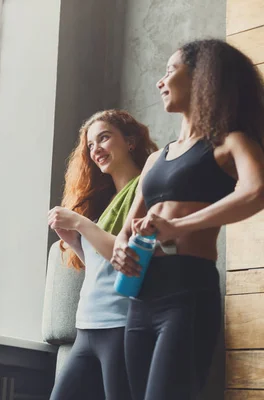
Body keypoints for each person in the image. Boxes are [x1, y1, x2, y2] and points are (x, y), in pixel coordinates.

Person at [110, 39, 264, 400]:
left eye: (170, 71)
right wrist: (120, 248)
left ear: (200, 76)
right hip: (140, 297)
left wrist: (179, 227)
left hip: (187, 293)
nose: (160, 82)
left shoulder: (229, 141)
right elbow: (125, 228)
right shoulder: (154, 160)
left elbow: (256, 191)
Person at [47, 110, 158, 399]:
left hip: (120, 326)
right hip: (86, 328)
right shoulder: (108, 204)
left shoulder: (144, 191)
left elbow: (127, 259)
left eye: (104, 138)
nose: (96, 149)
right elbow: (103, 267)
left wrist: (79, 223)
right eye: (91, 145)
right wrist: (73, 241)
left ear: (130, 142)